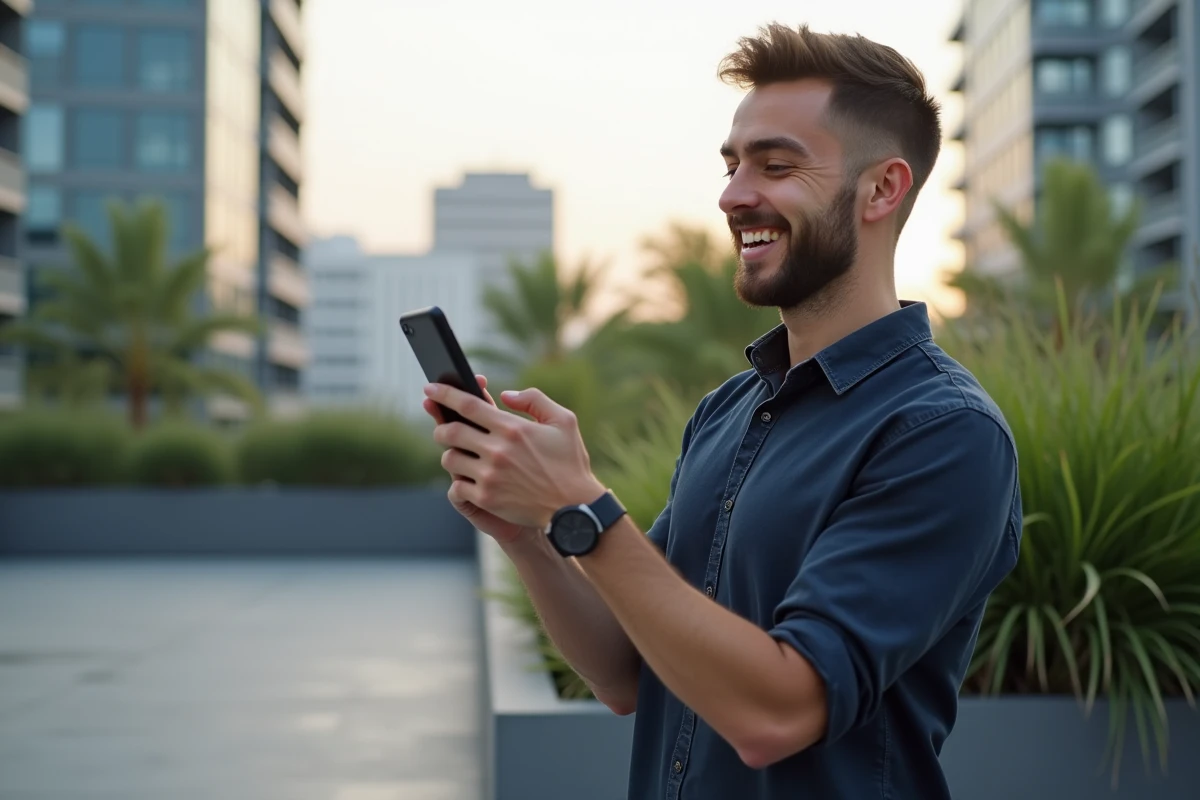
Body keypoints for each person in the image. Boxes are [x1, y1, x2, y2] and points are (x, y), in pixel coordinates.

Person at [421, 22, 1021, 800]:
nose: (734, 195)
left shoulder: (944, 434)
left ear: (882, 188)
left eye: (775, 164)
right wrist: (526, 533)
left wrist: (581, 504)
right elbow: (626, 674)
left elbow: (778, 713)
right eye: (733, 165)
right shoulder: (731, 410)